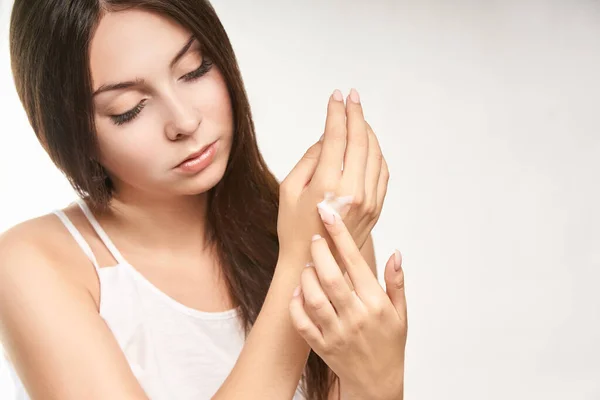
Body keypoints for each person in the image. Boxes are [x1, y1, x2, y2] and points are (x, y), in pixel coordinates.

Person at [0, 1, 407, 399]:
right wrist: (300, 263)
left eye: (195, 70)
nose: (185, 121)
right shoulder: (33, 263)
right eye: (129, 109)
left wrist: (381, 385)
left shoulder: (317, 228)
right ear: (71, 132)